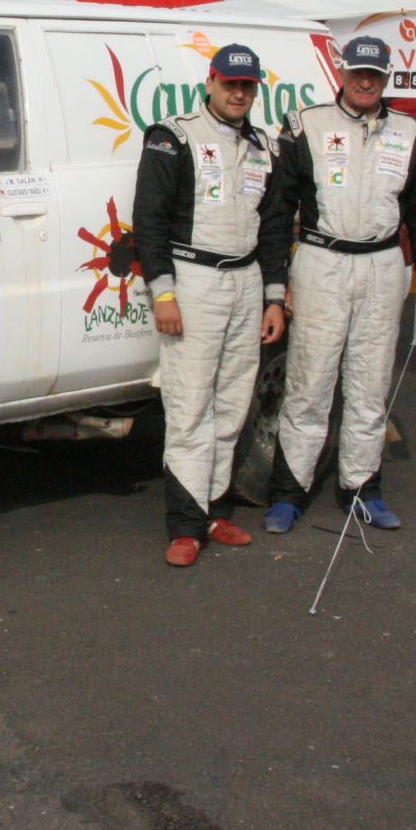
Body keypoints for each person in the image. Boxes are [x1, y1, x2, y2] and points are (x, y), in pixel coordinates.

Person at [263, 36, 416, 534]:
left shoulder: (411, 132)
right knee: (310, 380)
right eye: (358, 72)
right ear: (342, 73)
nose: (366, 82)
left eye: (376, 74)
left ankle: (362, 487)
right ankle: (288, 493)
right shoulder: (307, 125)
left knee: (370, 382)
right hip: (323, 260)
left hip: (384, 265)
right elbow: (278, 210)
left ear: (387, 78)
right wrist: (276, 285)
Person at [131, 44, 289, 567]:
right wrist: (164, 291)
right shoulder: (173, 137)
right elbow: (148, 219)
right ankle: (184, 524)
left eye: (247, 86)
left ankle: (215, 510)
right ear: (211, 83)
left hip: (245, 279)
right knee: (190, 403)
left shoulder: (264, 146)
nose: (238, 93)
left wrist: (273, 298)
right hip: (193, 279)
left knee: (232, 403)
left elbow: (273, 229)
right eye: (230, 84)